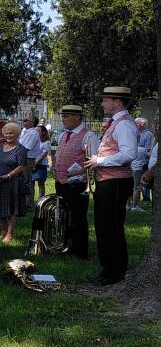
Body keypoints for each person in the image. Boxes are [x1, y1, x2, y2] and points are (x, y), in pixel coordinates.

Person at [85, 86, 138, 284]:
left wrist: (99, 161)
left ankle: (114, 273)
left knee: (110, 227)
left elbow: (128, 154)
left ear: (117, 102)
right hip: (109, 181)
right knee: (105, 226)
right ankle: (110, 270)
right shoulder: (116, 123)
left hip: (115, 182)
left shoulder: (124, 125)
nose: (102, 103)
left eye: (105, 100)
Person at [53, 104, 98, 260]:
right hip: (62, 182)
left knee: (78, 218)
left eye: (67, 116)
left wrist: (76, 172)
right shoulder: (63, 135)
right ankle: (67, 246)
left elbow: (92, 162)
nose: (63, 119)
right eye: (63, 116)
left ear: (78, 117)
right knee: (64, 216)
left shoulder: (88, 135)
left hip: (77, 183)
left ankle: (80, 251)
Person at [0, 121, 28, 243]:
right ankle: (3, 231)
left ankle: (10, 234)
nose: (8, 136)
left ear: (17, 134)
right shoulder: (1, 147)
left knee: (13, 209)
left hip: (13, 182)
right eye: (6, 133)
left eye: (11, 133)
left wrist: (8, 175)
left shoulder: (20, 149)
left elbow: (22, 166)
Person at [136, 116, 156, 204]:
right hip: (135, 160)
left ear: (142, 125)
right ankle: (135, 198)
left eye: (137, 124)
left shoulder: (148, 134)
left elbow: (148, 149)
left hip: (144, 159)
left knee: (145, 178)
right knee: (136, 181)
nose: (135, 125)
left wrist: (138, 149)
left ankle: (146, 198)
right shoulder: (134, 133)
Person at [34, 124, 52, 198]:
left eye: (38, 131)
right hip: (33, 164)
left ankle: (41, 199)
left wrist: (35, 162)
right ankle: (30, 202)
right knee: (31, 184)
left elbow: (44, 153)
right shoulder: (35, 140)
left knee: (41, 184)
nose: (36, 132)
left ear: (43, 132)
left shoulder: (46, 142)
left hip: (41, 165)